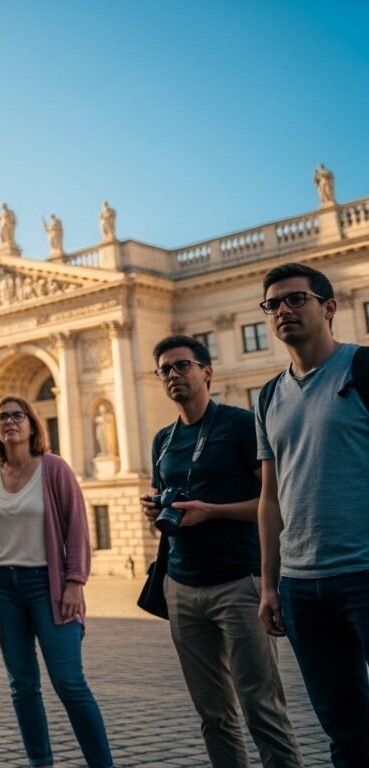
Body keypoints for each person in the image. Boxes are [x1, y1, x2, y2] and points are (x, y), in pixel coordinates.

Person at [144, 335, 302, 768]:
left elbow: (278, 503)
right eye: (165, 370)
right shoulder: (163, 439)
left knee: (262, 708)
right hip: (182, 587)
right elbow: (170, 500)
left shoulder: (241, 424)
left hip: (240, 583)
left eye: (183, 366)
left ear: (207, 371)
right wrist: (158, 509)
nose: (174, 375)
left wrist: (210, 511)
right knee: (212, 715)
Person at [255, 262, 369, 767]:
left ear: (329, 306)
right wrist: (268, 583)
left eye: (295, 299)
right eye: (272, 304)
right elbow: (270, 497)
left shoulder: (363, 369)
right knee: (343, 728)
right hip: (301, 586)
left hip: (365, 571)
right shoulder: (268, 396)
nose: (282, 311)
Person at [0, 397, 113, 768]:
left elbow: (77, 528)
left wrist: (75, 582)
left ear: (32, 425)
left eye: (17, 416)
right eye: (2, 417)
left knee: (69, 682)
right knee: (22, 686)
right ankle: (40, 762)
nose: (9, 422)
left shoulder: (54, 469)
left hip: (46, 586)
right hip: (2, 588)